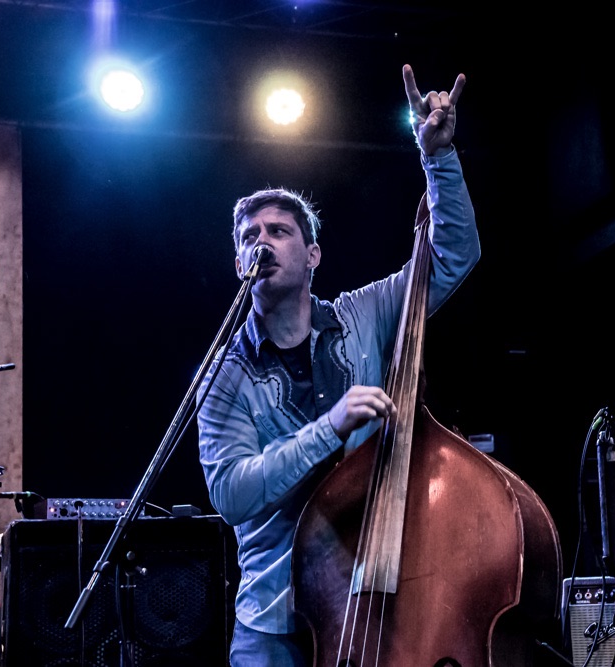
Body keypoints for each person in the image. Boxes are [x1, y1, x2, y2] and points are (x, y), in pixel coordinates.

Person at [197, 63, 479, 666]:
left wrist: (438, 160)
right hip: (273, 617)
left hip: (375, 597)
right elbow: (231, 493)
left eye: (279, 231)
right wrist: (328, 429)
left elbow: (454, 256)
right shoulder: (223, 373)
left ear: (313, 253)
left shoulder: (365, 313)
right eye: (249, 235)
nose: (261, 242)